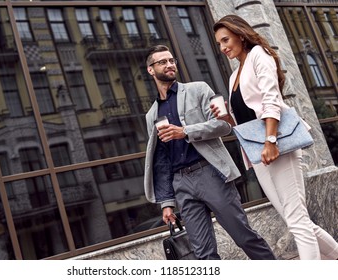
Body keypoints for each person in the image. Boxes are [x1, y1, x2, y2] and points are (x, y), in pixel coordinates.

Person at [213, 14, 338, 260]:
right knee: (294, 220)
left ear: (240, 34)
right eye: (218, 43)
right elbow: (247, 115)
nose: (223, 47)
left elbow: (271, 100)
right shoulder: (233, 75)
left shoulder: (259, 54)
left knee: (297, 219)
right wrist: (227, 119)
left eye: (226, 39)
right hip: (255, 150)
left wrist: (271, 141)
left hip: (276, 142)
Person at [143, 44, 276, 260]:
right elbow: (162, 161)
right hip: (181, 185)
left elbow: (224, 126)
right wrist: (167, 203)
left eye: (171, 60)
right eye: (162, 62)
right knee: (203, 255)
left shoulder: (198, 90)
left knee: (244, 237)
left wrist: (185, 131)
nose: (169, 65)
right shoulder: (152, 114)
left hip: (210, 174)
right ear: (150, 70)